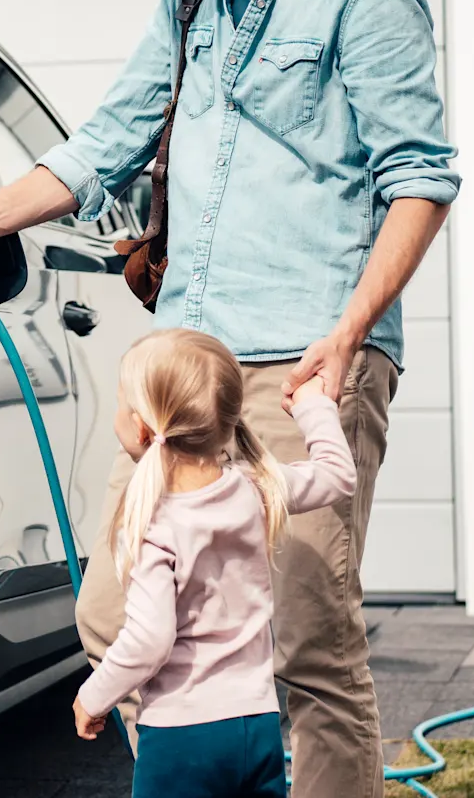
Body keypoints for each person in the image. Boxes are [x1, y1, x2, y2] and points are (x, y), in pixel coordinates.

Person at [0, 0, 459, 797]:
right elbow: (104, 144)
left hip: (304, 359)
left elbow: (418, 181)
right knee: (113, 615)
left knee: (304, 647)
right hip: (187, 372)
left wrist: (350, 337)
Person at [72, 329, 353, 798]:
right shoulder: (255, 488)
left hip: (182, 736)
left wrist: (94, 696)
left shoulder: (150, 521)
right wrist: (312, 404)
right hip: (257, 725)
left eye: (122, 402)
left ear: (142, 427)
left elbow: (148, 639)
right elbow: (337, 476)